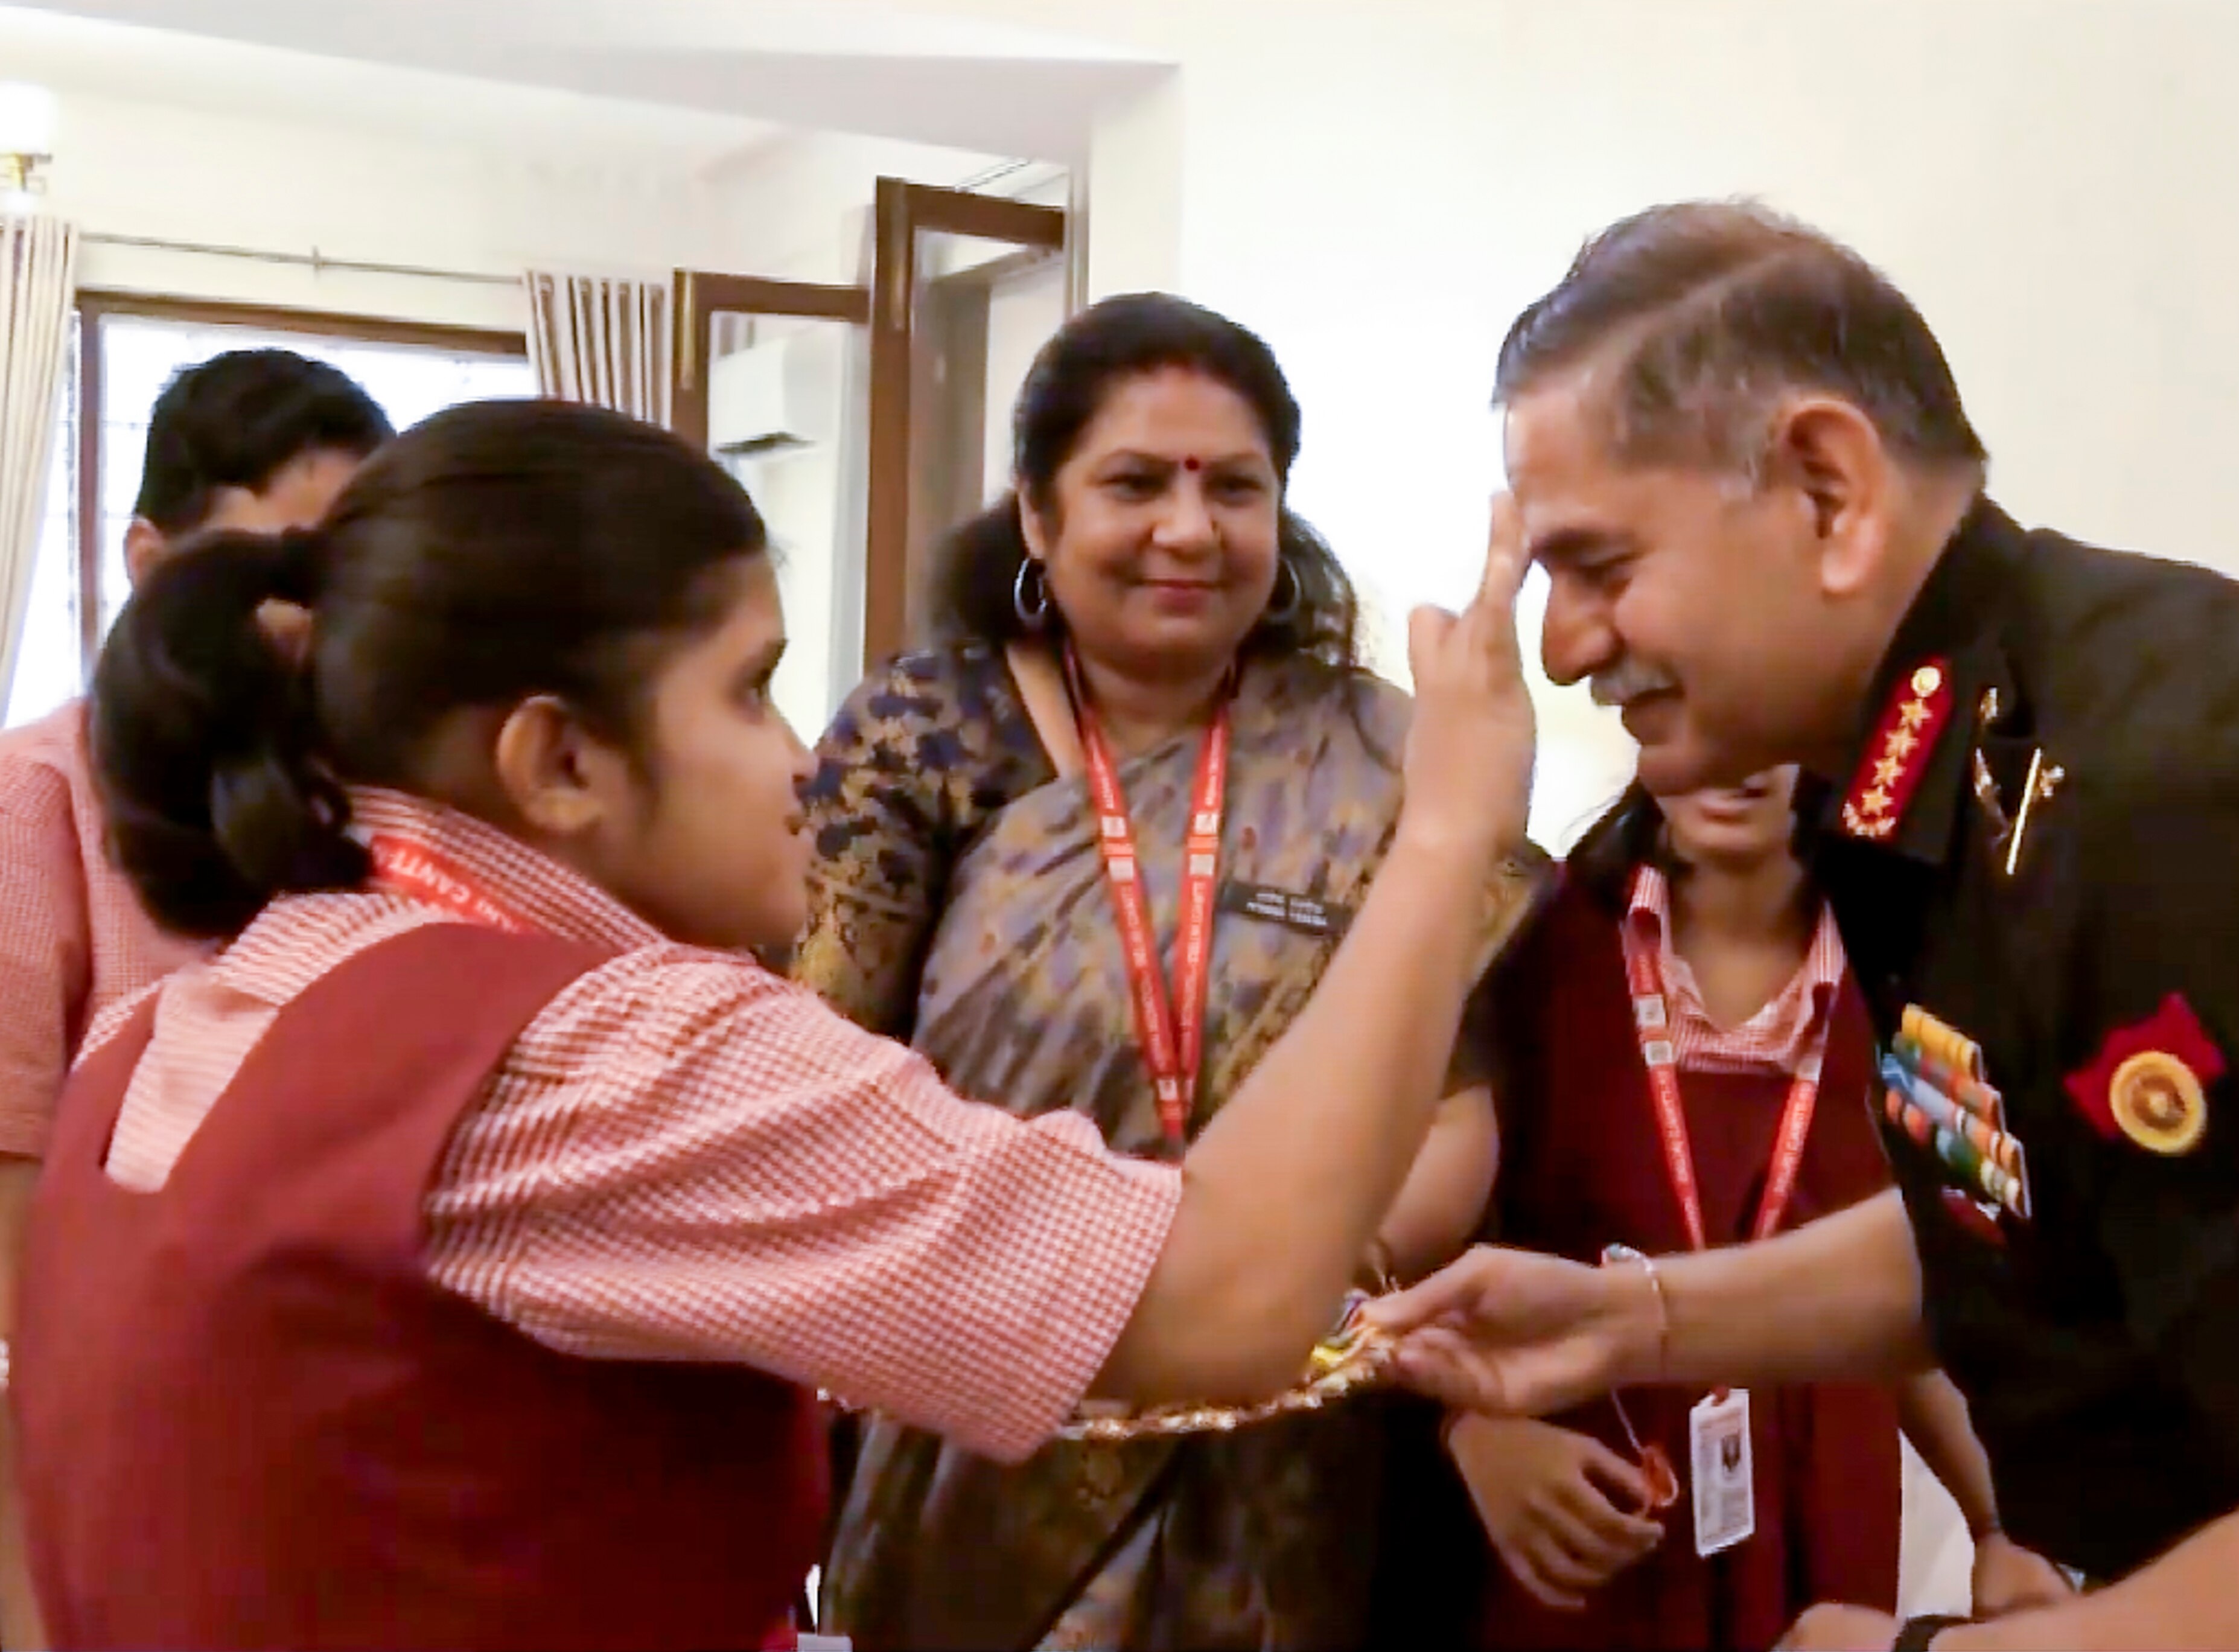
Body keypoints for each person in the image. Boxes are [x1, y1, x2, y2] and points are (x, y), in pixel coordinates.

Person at [1366, 200, 2239, 1652]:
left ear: (1825, 491)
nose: (1560, 645)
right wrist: (1640, 1321)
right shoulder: (1953, 768)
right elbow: (2030, 1217)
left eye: (1600, 568)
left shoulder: (2166, 820)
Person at [9, 395, 1536, 1651]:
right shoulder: (602, 1049)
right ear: (558, 763)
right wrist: (1451, 831)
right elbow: (1221, 1296)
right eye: (750, 694)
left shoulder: (184, 1014)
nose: (801, 758)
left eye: (1236, 486)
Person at [797, 292, 1538, 1651]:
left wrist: (1302, 1280)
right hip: (988, 1392)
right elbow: (824, 1075)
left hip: (1293, 1421)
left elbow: (1455, 1099)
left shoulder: (1383, 758)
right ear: (1037, 513)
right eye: (1134, 483)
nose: (1189, 529)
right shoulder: (929, 733)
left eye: (1235, 488)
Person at [1440, 767, 2068, 1650]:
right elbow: (1414, 1245)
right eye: (1682, 698)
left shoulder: (1926, 976)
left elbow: (1943, 1278)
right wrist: (1472, 1426)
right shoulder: (1531, 942)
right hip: (1583, 1520)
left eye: (1757, 716)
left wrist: (1996, 1521)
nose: (1729, 754)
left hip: (1820, 1541)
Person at [0, 348, 392, 1650]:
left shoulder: (357, 797)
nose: (318, 621)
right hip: (110, 1475)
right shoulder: (36, 801)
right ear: (152, 564)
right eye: (283, 568)